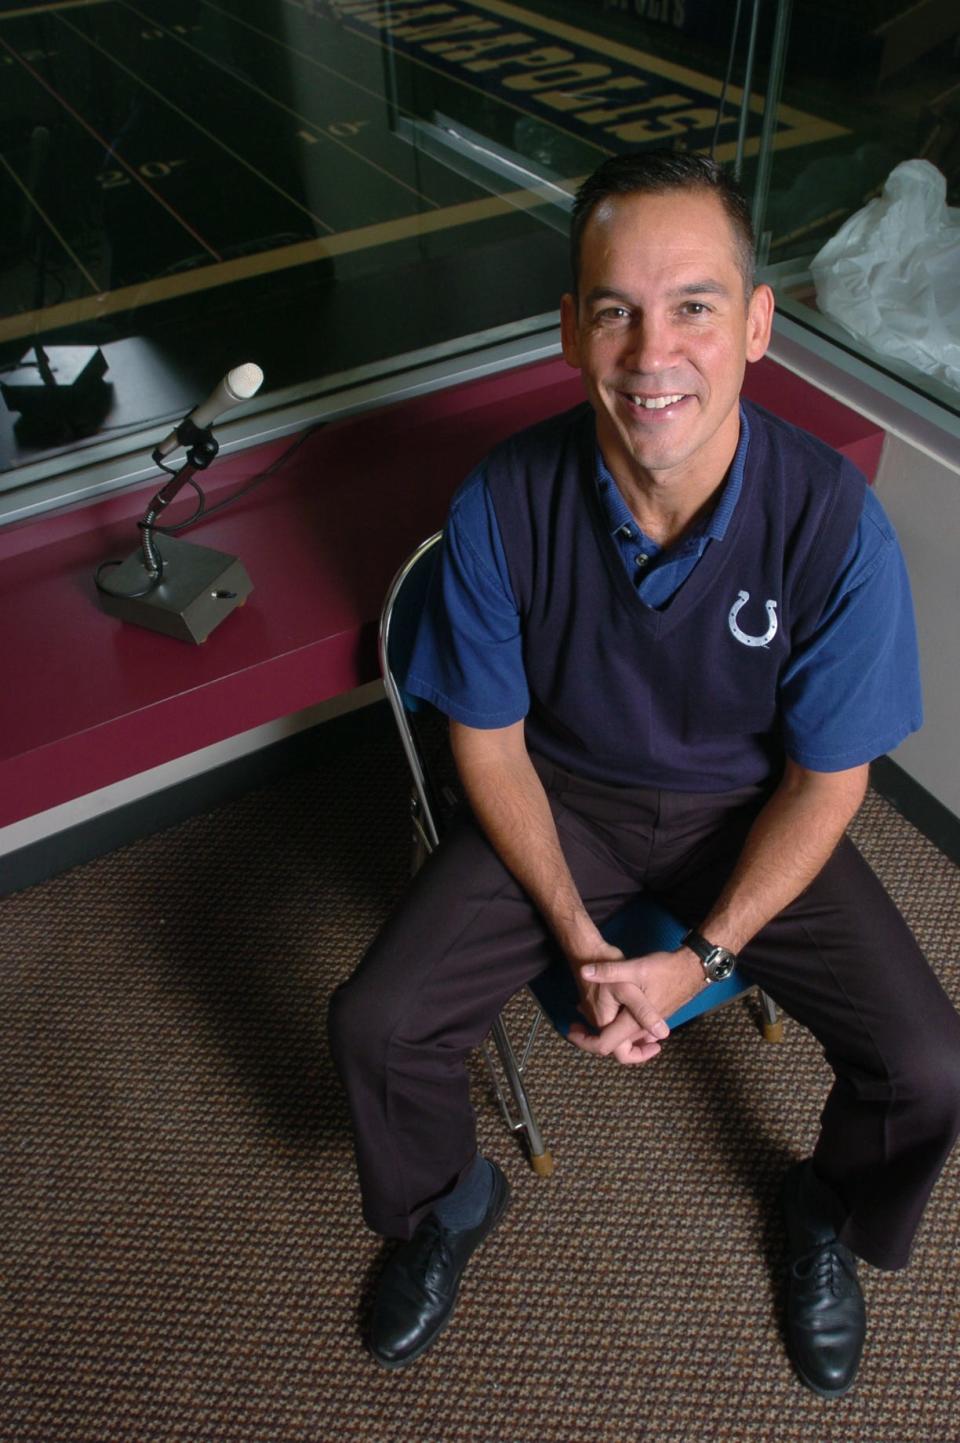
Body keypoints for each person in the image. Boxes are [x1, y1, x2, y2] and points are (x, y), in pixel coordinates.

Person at [329, 150, 960, 1397]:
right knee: (376, 1024)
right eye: (615, 309)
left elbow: (829, 784)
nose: (651, 352)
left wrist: (701, 957)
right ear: (571, 330)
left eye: (694, 307)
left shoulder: (834, 523)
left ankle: (823, 1208)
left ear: (758, 326)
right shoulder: (502, 504)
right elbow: (488, 745)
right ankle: (447, 1202)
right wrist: (577, 932)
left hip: (751, 808)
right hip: (564, 800)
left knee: (931, 1065)